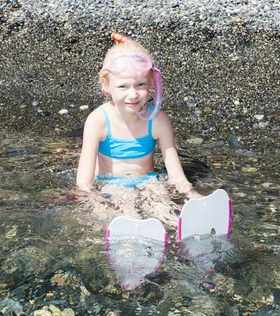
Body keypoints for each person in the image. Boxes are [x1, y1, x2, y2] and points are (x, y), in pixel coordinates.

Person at [76, 35, 197, 203]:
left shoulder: (158, 121)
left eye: (140, 85)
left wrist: (193, 196)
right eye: (123, 86)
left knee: (164, 206)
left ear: (151, 81)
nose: (132, 95)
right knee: (120, 208)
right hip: (109, 184)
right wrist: (93, 201)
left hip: (148, 182)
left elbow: (177, 176)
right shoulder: (98, 121)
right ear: (105, 84)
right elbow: (84, 181)